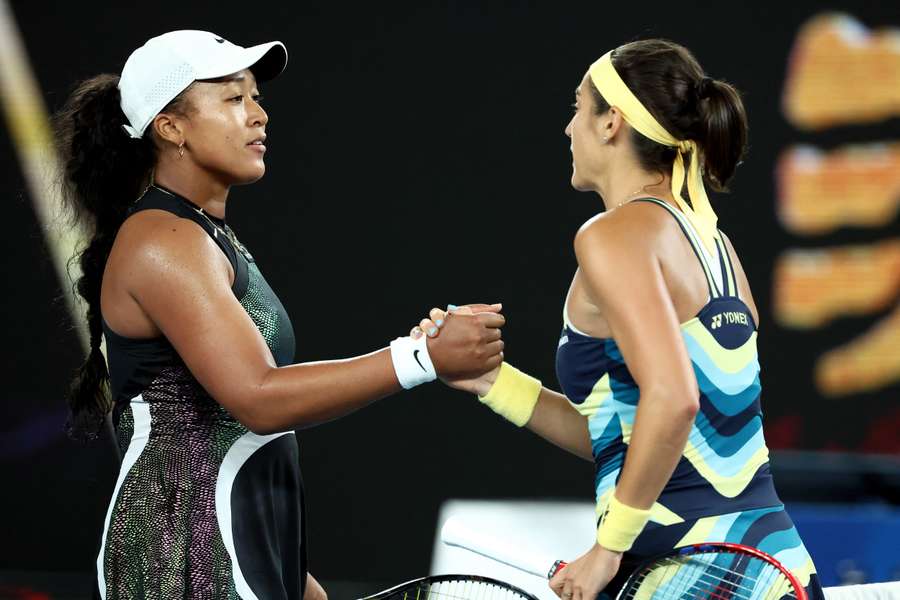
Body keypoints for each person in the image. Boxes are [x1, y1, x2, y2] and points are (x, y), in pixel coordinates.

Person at [55, 30, 505, 600]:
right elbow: (258, 397)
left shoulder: (204, 235)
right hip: (180, 557)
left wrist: (294, 576)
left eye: (256, 97)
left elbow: (234, 438)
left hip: (233, 543)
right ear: (171, 127)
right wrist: (420, 358)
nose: (258, 115)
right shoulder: (162, 240)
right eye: (233, 98)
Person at [419, 39, 825, 600]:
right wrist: (493, 383)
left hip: (690, 575)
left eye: (578, 107)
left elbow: (673, 399)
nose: (568, 128)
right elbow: (639, 437)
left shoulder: (610, 235)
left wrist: (607, 549)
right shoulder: (717, 248)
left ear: (612, 122)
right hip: (778, 569)